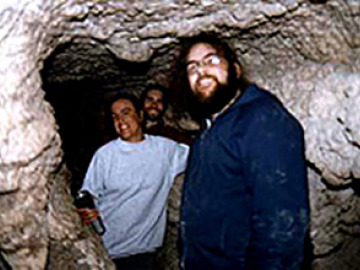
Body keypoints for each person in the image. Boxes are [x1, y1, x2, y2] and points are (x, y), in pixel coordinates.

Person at [177, 33, 310, 269]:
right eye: (192, 67)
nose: (201, 71)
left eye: (212, 60)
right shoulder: (207, 132)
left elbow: (281, 226)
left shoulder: (261, 119)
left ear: (236, 71)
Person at [78, 92, 189, 270]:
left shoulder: (165, 150)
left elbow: (201, 152)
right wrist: (88, 210)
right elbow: (89, 193)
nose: (120, 120)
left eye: (126, 112)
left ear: (140, 115)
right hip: (106, 248)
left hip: (142, 252)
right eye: (115, 116)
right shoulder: (105, 155)